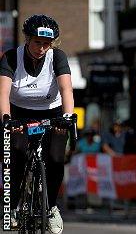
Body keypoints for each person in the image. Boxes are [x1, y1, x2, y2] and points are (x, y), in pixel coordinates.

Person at [0, 14, 74, 233]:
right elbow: (3, 92)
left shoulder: (57, 57)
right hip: (18, 114)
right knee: (17, 152)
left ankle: (50, 207)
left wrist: (68, 118)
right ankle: (11, 206)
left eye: (46, 44)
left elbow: (66, 89)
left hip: (53, 113)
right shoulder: (11, 57)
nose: (41, 48)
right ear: (27, 39)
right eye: (37, 42)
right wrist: (6, 118)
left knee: (55, 158)